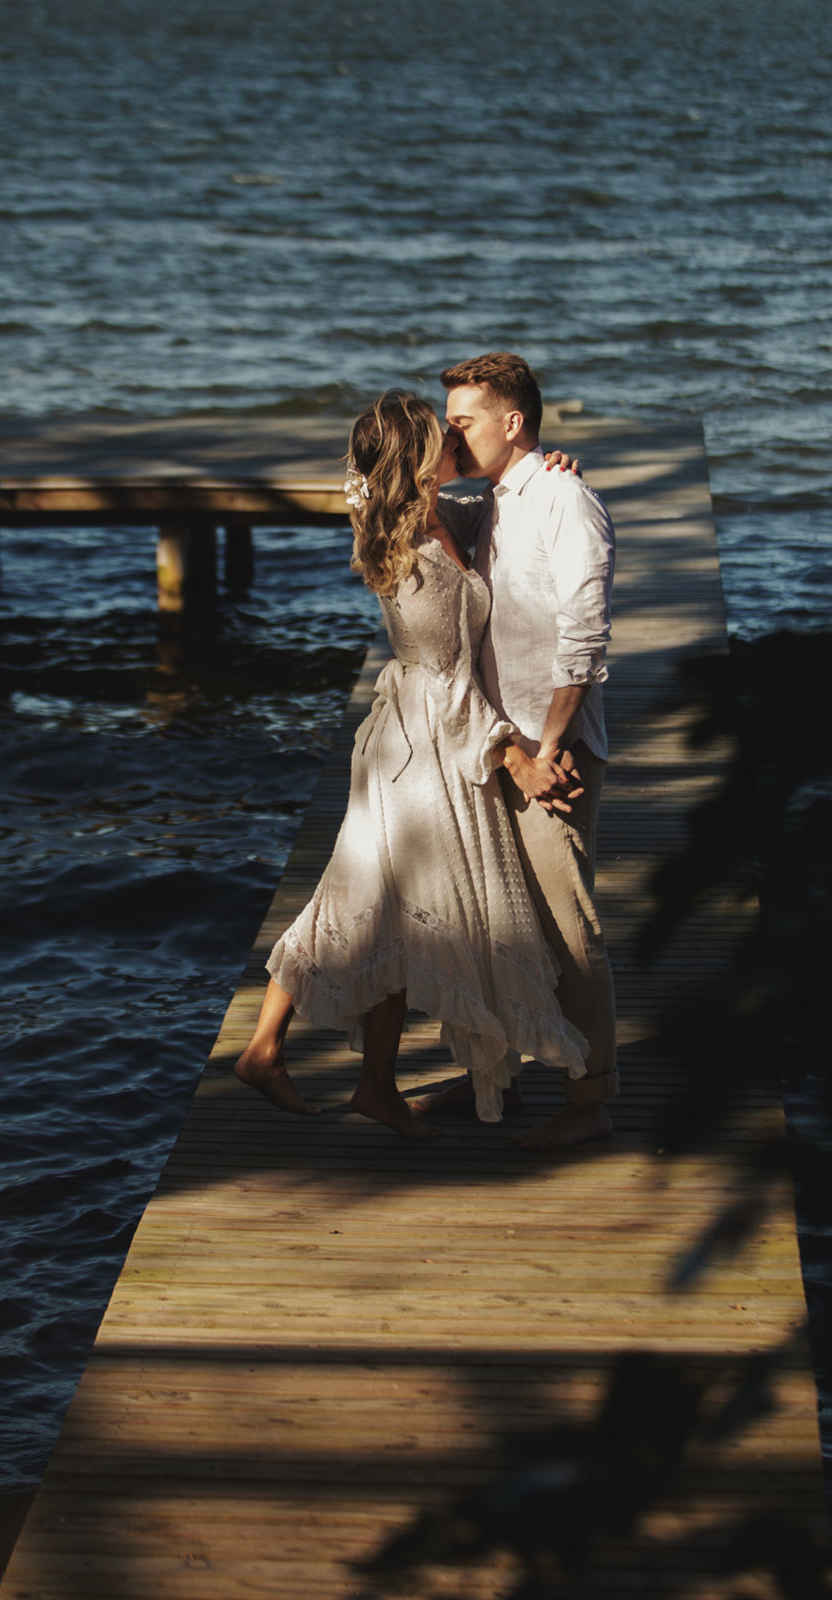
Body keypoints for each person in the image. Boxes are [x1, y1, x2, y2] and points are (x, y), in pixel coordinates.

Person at [234, 390, 589, 1139]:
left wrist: (541, 470)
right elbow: (448, 685)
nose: (455, 439)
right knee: (368, 906)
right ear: (420, 458)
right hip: (421, 747)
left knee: (385, 912)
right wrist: (515, 758)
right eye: (443, 434)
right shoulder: (420, 556)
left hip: (415, 734)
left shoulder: (433, 517)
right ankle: (272, 1052)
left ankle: (360, 1082)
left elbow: (492, 511)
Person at [411, 352, 617, 1150]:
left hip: (549, 750)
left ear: (513, 422)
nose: (451, 436)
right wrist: (435, 463)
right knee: (495, 925)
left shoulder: (563, 499)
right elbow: (409, 517)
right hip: (497, 749)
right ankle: (492, 1078)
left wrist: (551, 743)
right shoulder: (490, 501)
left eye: (461, 422)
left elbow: (585, 634)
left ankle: (589, 1101)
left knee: (567, 930)